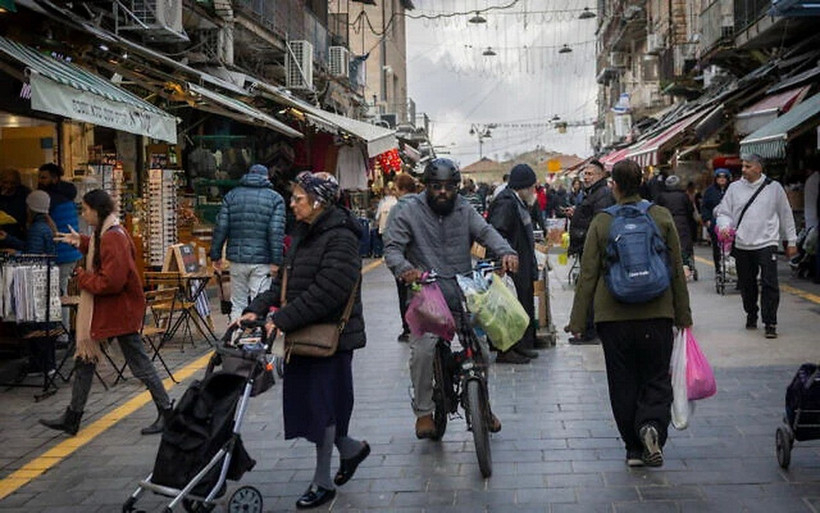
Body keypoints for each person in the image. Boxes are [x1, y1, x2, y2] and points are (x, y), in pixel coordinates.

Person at [240, 171, 368, 510]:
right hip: (303, 336)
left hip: (330, 340)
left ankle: (322, 482)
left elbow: (330, 291)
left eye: (298, 198)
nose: (292, 203)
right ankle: (351, 450)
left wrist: (281, 319)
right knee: (317, 407)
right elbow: (283, 282)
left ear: (318, 202)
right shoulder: (304, 234)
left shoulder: (340, 237)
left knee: (323, 408)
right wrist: (256, 309)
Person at [568, 159, 693, 468]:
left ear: (615, 186)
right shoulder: (661, 217)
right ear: (642, 183)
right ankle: (651, 425)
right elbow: (676, 269)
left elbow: (588, 274)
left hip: (613, 319)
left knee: (622, 381)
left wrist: (577, 321)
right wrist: (683, 316)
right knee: (655, 377)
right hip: (657, 314)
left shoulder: (602, 221)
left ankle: (633, 449)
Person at [384, 158, 519, 439]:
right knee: (422, 352)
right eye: (437, 186)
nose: (443, 192)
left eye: (449, 186)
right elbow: (393, 248)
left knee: (481, 347)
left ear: (457, 187)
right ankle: (423, 412)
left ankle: (483, 406)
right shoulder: (407, 211)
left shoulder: (464, 208)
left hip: (462, 291)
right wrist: (405, 270)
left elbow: (486, 233)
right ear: (426, 186)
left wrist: (506, 251)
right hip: (427, 295)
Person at [40, 189, 173, 436]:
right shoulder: (107, 233)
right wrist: (81, 242)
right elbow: (103, 253)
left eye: (85, 209)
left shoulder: (112, 236)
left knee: (138, 363)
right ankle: (73, 416)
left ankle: (167, 411)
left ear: (96, 210)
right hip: (114, 311)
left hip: (117, 311)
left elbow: (111, 281)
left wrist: (82, 277)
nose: (83, 214)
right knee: (86, 359)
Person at [715, 153, 797, 339]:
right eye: (743, 166)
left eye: (748, 166)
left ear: (759, 168)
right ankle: (751, 312)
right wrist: (725, 226)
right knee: (747, 284)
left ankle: (770, 323)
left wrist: (791, 241)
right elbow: (723, 212)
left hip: (767, 242)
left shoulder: (774, 188)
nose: (743, 169)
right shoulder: (734, 188)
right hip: (742, 243)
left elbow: (785, 214)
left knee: (770, 283)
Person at [210, 163, 286, 322]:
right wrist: (276, 261)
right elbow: (275, 232)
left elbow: (221, 227)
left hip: (237, 259)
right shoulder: (275, 199)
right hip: (262, 260)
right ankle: (255, 339)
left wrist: (215, 255)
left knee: (238, 302)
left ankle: (235, 337)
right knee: (259, 301)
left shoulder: (231, 196)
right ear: (266, 178)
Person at [0, 190, 58, 375]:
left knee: (35, 323)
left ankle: (41, 364)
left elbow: (32, 257)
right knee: (44, 323)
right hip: (47, 279)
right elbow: (33, 249)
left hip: (37, 281)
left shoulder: (36, 229)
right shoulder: (46, 226)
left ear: (31, 208)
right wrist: (10, 240)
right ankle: (47, 364)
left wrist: (15, 254)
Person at [487, 163, 540, 364]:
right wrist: (502, 259)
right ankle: (507, 349)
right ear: (524, 186)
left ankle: (520, 345)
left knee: (521, 305)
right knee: (509, 308)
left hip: (520, 264)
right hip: (510, 266)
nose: (534, 191)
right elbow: (496, 233)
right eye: (533, 186)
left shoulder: (516, 202)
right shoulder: (506, 203)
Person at [566, 159, 615, 344]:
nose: (586, 177)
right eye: (584, 174)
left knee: (590, 289)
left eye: (590, 174)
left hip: (592, 247)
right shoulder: (593, 193)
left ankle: (590, 331)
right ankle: (586, 328)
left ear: (600, 175)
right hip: (586, 245)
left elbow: (599, 222)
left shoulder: (601, 194)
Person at [38, 163, 82, 338]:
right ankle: (62, 333)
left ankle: (61, 334)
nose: (40, 180)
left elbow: (49, 226)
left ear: (54, 178)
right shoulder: (67, 196)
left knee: (58, 294)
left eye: (44, 177)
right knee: (60, 291)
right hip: (71, 252)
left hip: (60, 252)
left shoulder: (49, 199)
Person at [386, 173, 418, 342]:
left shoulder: (397, 209)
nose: (394, 193)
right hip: (423, 260)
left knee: (404, 295)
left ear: (402, 189)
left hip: (403, 260)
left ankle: (408, 329)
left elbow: (389, 236)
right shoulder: (424, 205)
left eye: (395, 189)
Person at [656, 175, 697, 279]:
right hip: (682, 222)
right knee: (684, 246)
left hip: (666, 222)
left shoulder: (662, 196)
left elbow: (657, 210)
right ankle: (687, 265)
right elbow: (690, 210)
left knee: (668, 244)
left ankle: (670, 266)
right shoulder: (683, 196)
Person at [701, 168, 732, 273]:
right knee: (717, 248)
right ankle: (719, 270)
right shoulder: (710, 191)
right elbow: (705, 207)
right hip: (715, 224)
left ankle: (734, 270)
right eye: (719, 177)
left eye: (724, 177)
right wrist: (707, 220)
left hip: (732, 224)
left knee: (734, 248)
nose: (722, 179)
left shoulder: (732, 190)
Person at [0, 168, 31, 242]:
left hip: (19, 236)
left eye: (12, 183)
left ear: (18, 183)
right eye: (5, 182)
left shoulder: (25, 194)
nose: (8, 186)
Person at [374, 183, 398, 258]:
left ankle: (386, 254)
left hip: (384, 223)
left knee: (385, 240)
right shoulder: (396, 201)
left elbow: (378, 213)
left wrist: (377, 220)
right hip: (392, 223)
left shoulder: (384, 201)